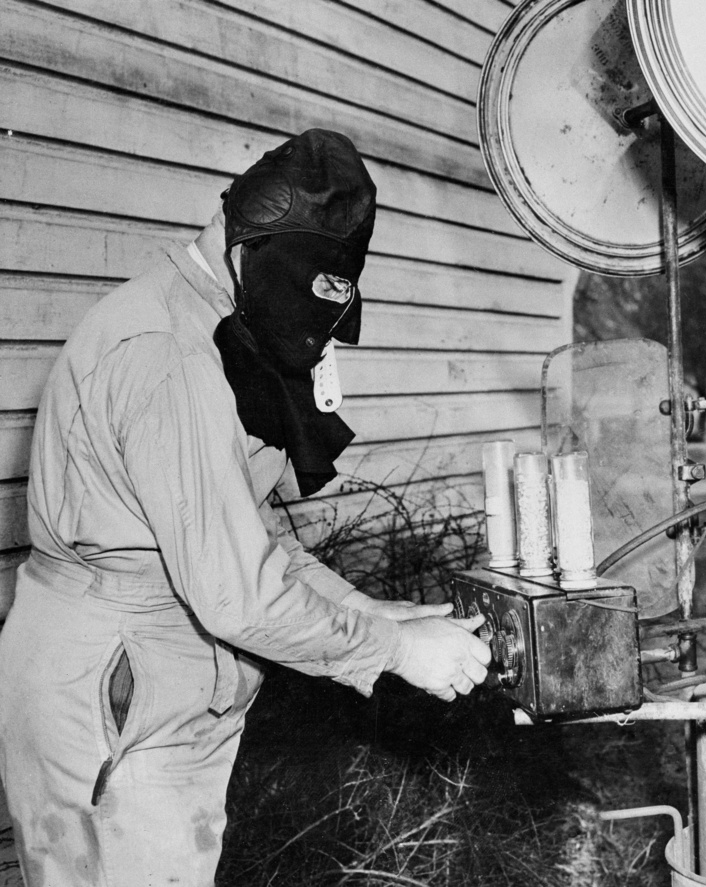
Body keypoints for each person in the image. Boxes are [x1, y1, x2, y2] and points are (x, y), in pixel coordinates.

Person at [0, 129, 491, 886]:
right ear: (251, 256)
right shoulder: (170, 358)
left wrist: (382, 612)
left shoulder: (206, 320)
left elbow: (251, 537)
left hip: (150, 674)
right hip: (120, 689)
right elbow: (235, 591)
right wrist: (395, 652)